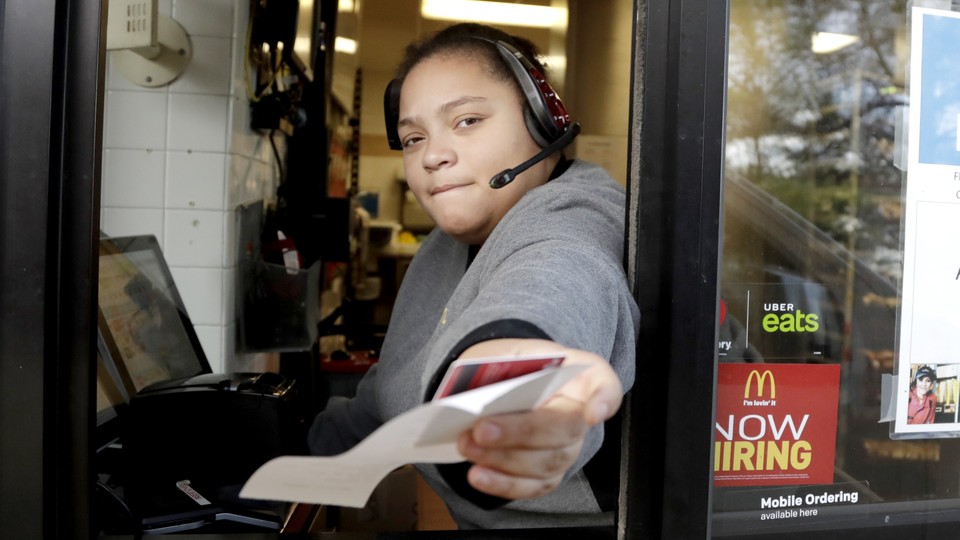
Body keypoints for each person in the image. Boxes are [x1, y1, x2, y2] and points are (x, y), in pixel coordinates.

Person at [307, 22, 639, 530]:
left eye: (466, 120)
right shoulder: (444, 247)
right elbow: (391, 393)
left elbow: (550, 290)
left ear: (544, 121)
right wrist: (292, 445)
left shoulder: (574, 222)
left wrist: (512, 391)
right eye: (413, 137)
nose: (433, 156)